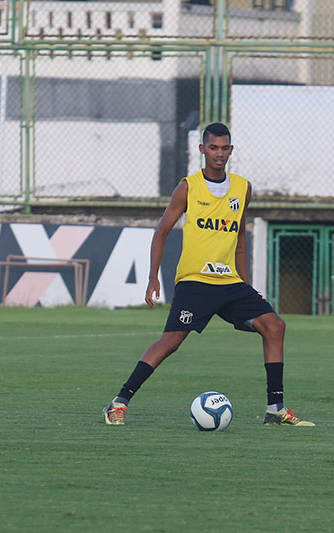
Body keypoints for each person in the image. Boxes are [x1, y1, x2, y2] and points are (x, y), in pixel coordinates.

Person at [102, 122, 313, 427]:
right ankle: (119, 402)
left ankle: (276, 409)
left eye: (224, 148)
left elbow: (240, 237)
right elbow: (161, 232)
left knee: (275, 326)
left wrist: (246, 284)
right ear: (202, 149)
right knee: (171, 340)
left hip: (230, 283)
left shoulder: (243, 187)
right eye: (213, 147)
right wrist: (153, 277)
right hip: (196, 282)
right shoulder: (188, 186)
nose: (219, 153)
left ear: (231, 150)